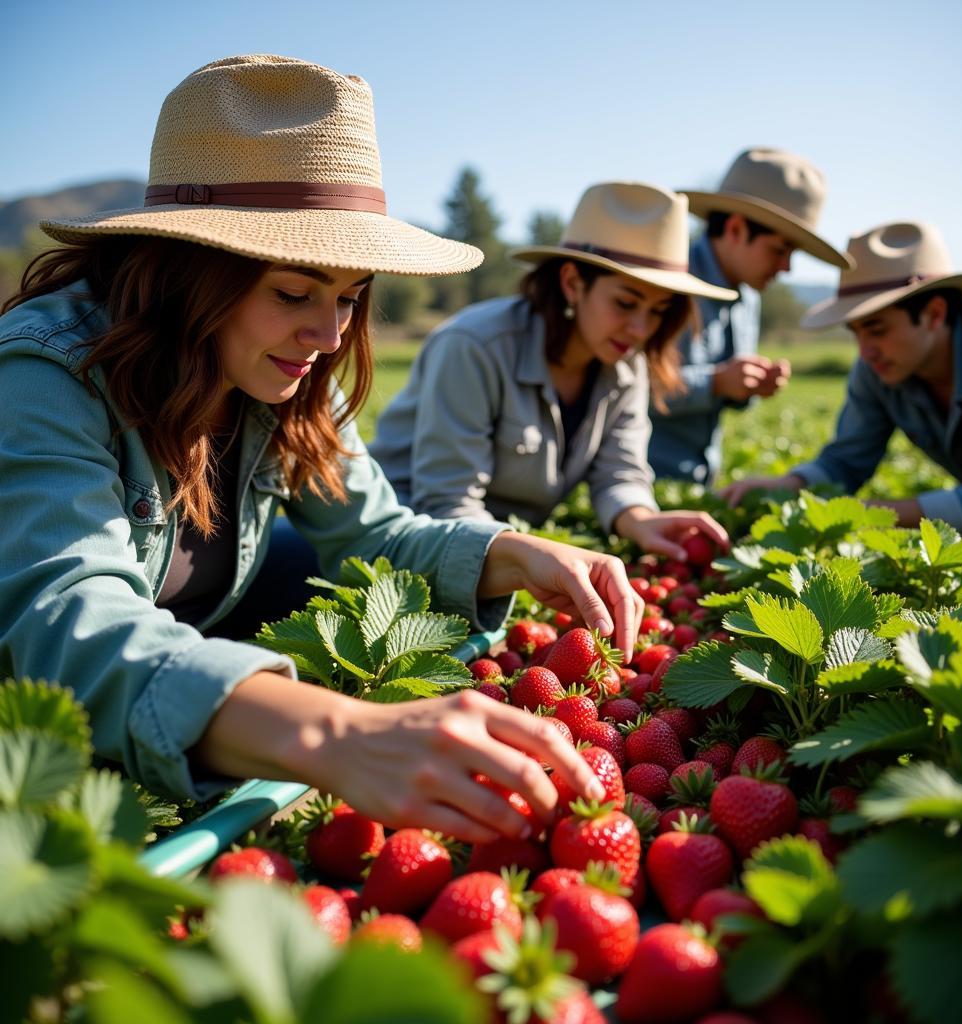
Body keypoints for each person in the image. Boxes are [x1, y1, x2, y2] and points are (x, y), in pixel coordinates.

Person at [0, 54, 647, 846]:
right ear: (184, 272)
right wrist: (336, 735)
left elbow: (373, 535)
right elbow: (66, 620)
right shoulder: (49, 372)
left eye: (348, 296)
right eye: (293, 291)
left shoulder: (291, 379)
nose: (329, 334)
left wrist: (516, 554)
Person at [368, 181, 732, 562]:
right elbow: (445, 502)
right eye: (626, 303)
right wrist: (533, 561)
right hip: (404, 543)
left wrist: (639, 518)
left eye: (658, 311)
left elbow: (618, 474)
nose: (641, 329)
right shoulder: (475, 347)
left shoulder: (626, 366)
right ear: (573, 283)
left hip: (505, 550)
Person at [719, 221, 962, 553]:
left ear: (935, 314)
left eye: (877, 329)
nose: (865, 351)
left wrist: (864, 515)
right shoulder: (879, 369)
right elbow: (847, 461)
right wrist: (790, 485)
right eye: (856, 333)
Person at [647, 147, 852, 483]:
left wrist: (749, 387)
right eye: (780, 249)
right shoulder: (664, 282)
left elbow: (727, 396)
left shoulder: (748, 298)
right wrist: (716, 382)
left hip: (699, 484)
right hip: (636, 485)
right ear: (737, 229)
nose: (786, 267)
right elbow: (621, 390)